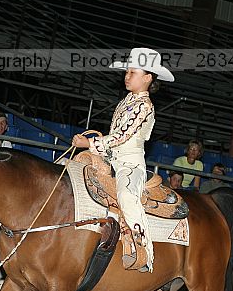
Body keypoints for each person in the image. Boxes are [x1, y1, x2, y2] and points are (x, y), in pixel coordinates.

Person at [72, 47, 174, 272]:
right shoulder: (126, 100)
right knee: (75, 166)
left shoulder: (145, 106)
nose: (127, 76)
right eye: (127, 72)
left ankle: (144, 252)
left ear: (147, 78)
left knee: (127, 197)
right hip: (110, 156)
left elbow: (121, 136)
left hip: (130, 163)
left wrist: (90, 143)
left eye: (133, 72)